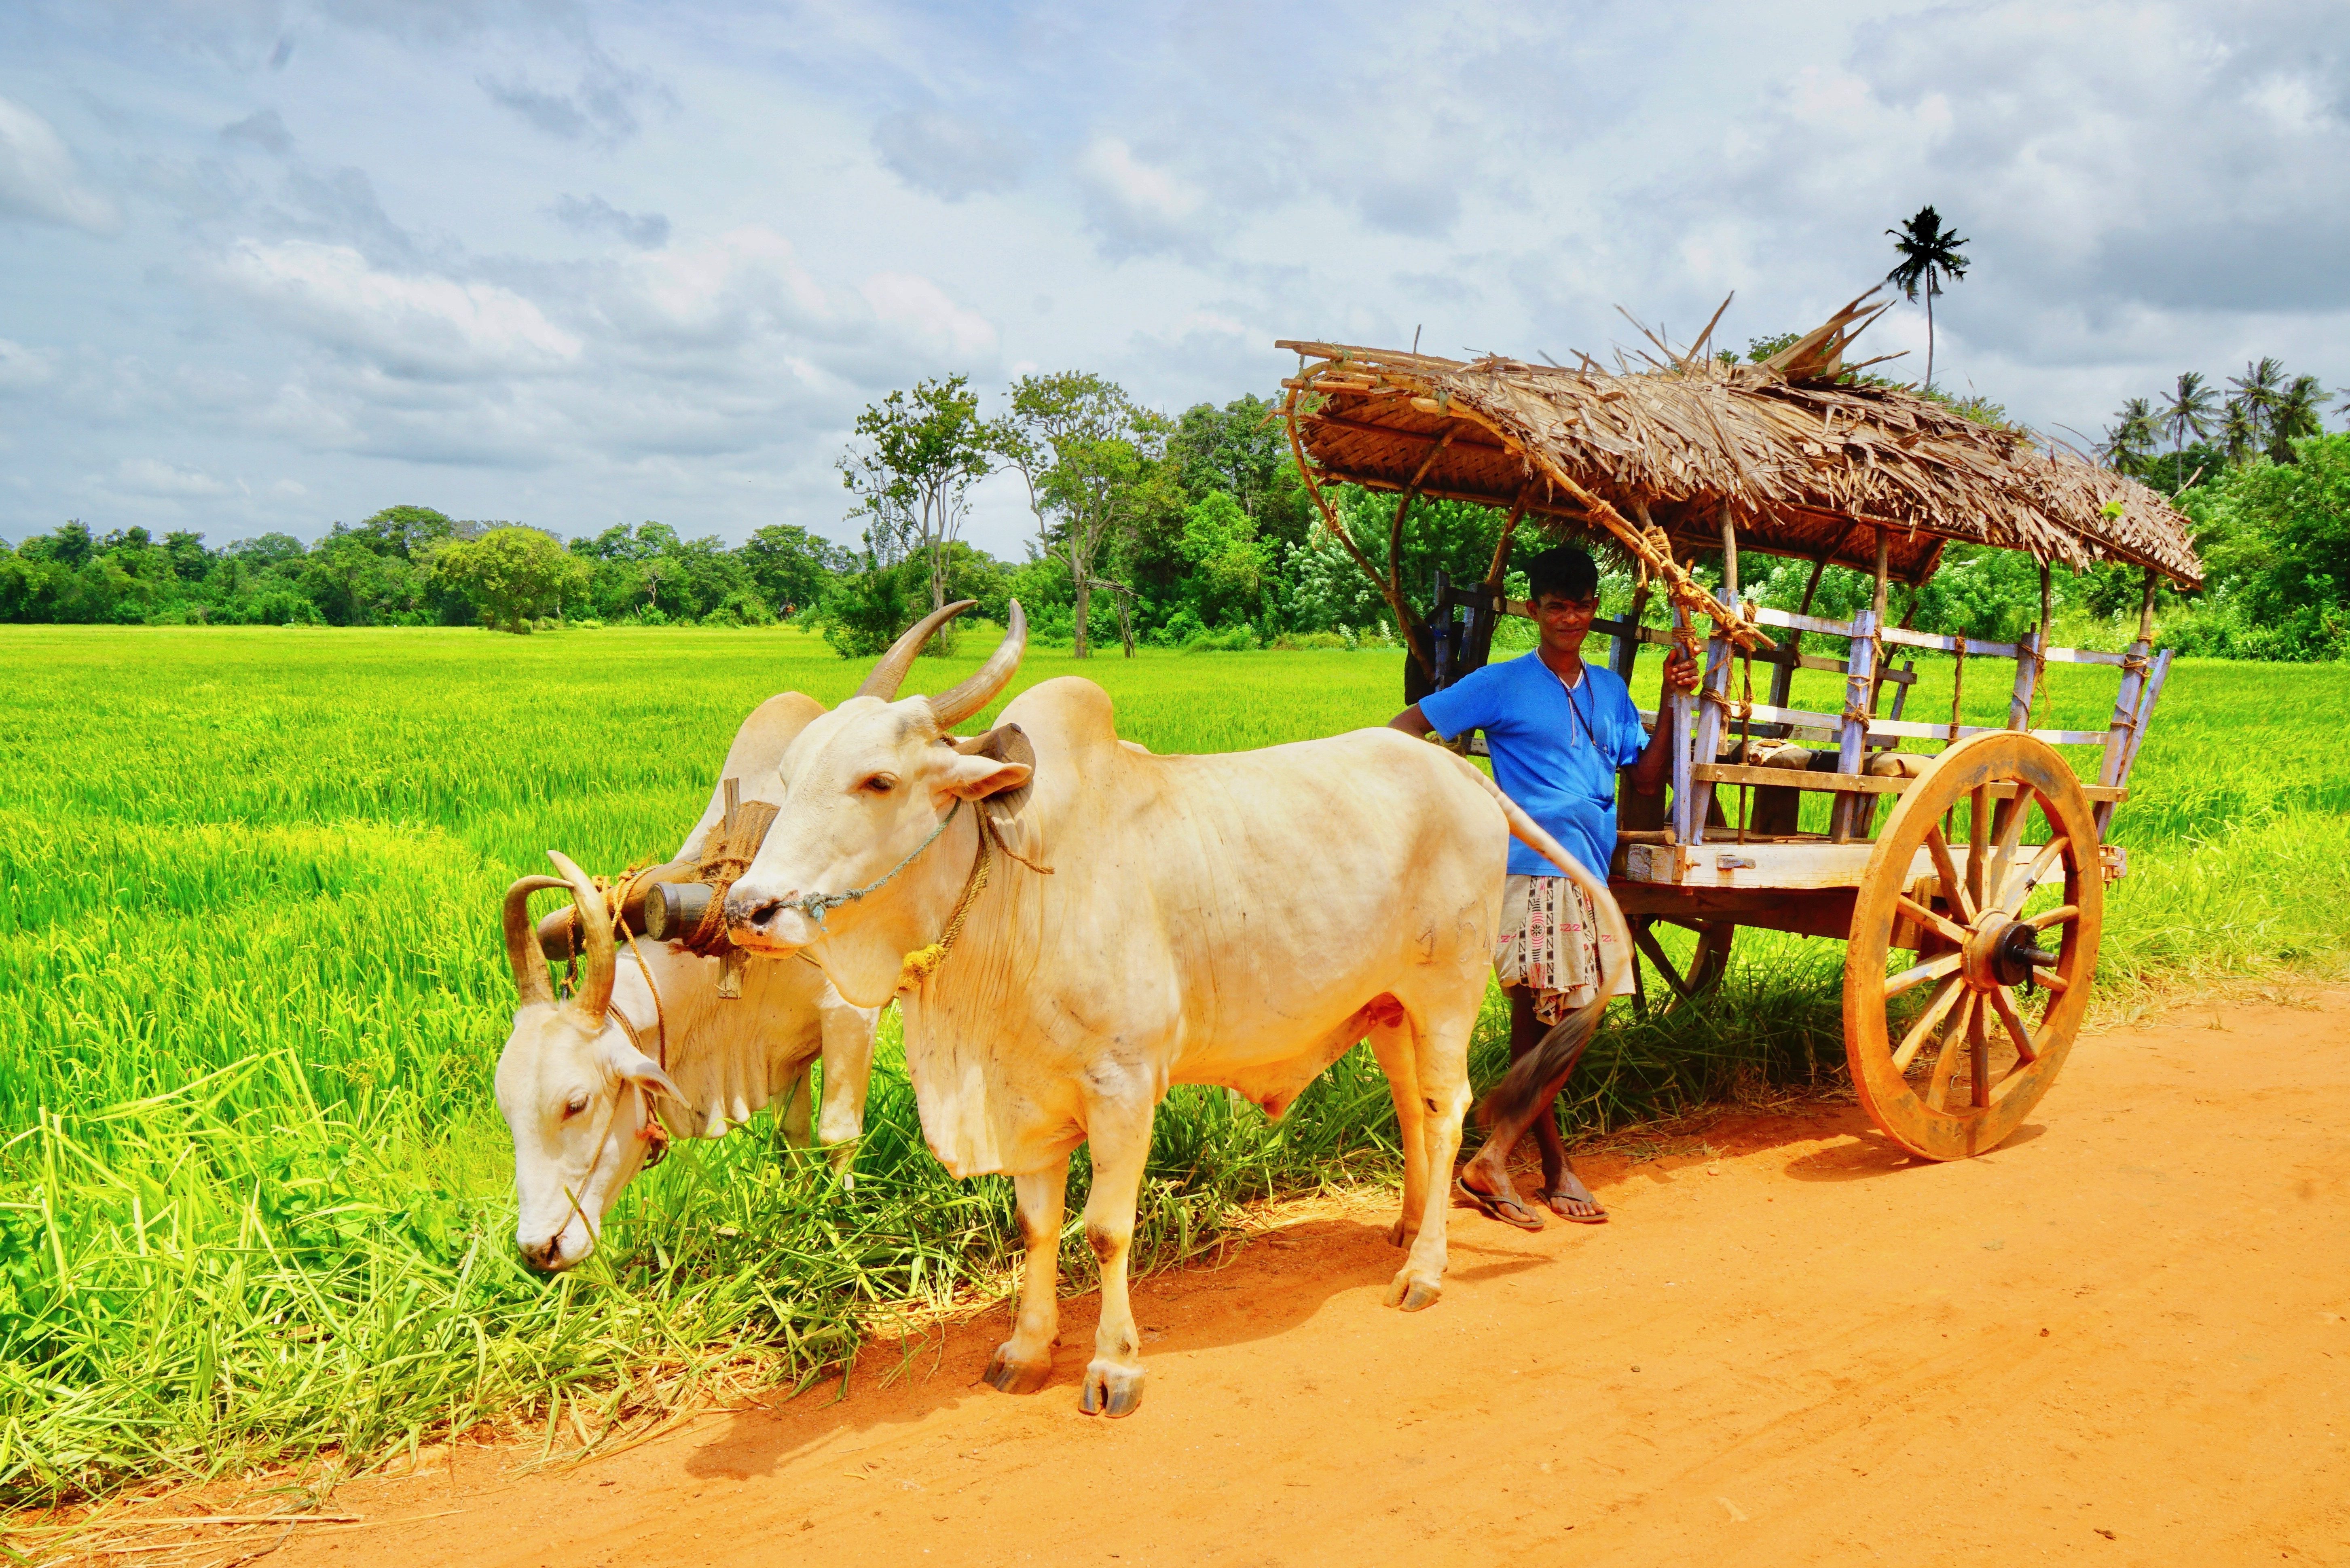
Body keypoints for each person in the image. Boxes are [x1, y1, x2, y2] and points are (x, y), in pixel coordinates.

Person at [1387, 545, 1699, 1228]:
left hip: (1589, 872)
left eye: (1583, 606)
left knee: (1542, 1027)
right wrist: (1447, 802)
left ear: (1593, 610)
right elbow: (1406, 728)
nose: (1571, 618)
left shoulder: (1611, 692)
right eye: (1557, 605)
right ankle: (1498, 1156)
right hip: (1533, 873)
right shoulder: (1501, 683)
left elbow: (1645, 778)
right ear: (1534, 610)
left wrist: (1675, 694)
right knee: (1576, 1020)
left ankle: (1537, 1163)